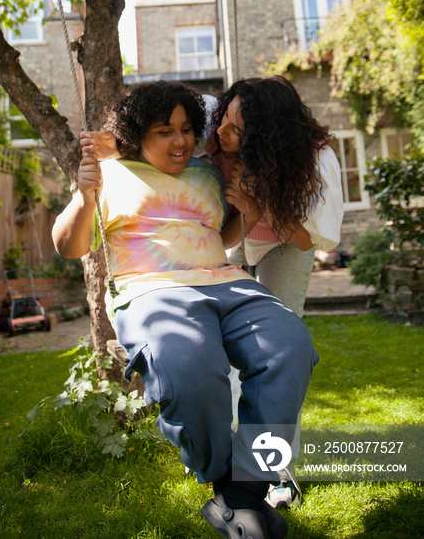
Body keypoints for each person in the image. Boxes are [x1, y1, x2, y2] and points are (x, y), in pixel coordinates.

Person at [54, 80, 319, 539]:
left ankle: (241, 496)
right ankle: (229, 482)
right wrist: (84, 196)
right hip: (152, 289)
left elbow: (221, 236)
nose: (180, 141)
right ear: (138, 134)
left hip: (225, 282)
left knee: (289, 346)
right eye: (163, 131)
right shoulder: (110, 173)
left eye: (186, 129)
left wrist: (248, 214)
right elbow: (68, 245)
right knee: (190, 370)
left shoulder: (206, 172)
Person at [207, 76, 344, 509]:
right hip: (237, 243)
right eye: (225, 119)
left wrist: (257, 207)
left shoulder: (314, 159)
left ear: (267, 138)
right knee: (232, 359)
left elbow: (308, 239)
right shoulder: (216, 125)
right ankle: (240, 463)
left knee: (276, 355)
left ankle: (282, 476)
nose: (222, 135)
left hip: (285, 242)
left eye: (236, 131)